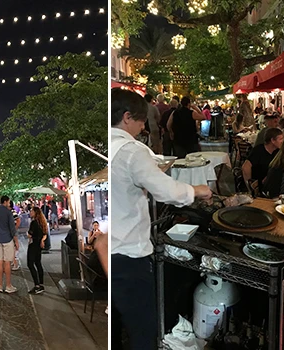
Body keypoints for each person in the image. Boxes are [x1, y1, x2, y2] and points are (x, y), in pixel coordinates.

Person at [111, 88, 212, 350]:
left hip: (112, 251)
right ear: (126, 118)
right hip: (129, 254)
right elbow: (167, 190)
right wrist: (197, 190)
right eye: (142, 120)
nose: (144, 126)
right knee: (143, 327)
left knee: (116, 324)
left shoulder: (109, 148)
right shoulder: (132, 150)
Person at [0, 195, 19, 294]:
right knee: (7, 262)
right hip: (7, 239)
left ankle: (0, 285)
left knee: (0, 261)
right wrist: (15, 240)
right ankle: (8, 286)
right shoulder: (8, 212)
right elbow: (12, 228)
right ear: (5, 202)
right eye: (8, 202)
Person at [242, 128, 284, 192]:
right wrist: (251, 187)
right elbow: (245, 167)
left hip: (272, 186)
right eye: (280, 139)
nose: (282, 141)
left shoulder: (278, 152)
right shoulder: (259, 150)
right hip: (260, 188)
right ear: (272, 140)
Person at [27, 207, 48, 294]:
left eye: (31, 211)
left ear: (35, 212)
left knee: (30, 264)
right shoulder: (42, 222)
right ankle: (41, 284)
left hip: (33, 244)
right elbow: (45, 234)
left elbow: (29, 234)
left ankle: (37, 285)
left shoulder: (34, 222)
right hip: (39, 245)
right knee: (38, 263)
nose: (30, 212)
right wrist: (42, 240)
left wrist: (28, 234)